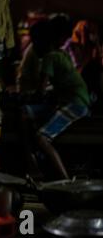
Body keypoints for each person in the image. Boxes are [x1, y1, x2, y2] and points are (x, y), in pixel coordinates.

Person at [22, 16, 91, 180]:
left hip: (75, 104)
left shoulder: (49, 58)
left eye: (35, 41)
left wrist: (25, 97)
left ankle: (65, 180)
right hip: (76, 102)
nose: (33, 45)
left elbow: (40, 92)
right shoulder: (61, 54)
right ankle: (33, 164)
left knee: (41, 137)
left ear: (42, 42)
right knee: (26, 114)